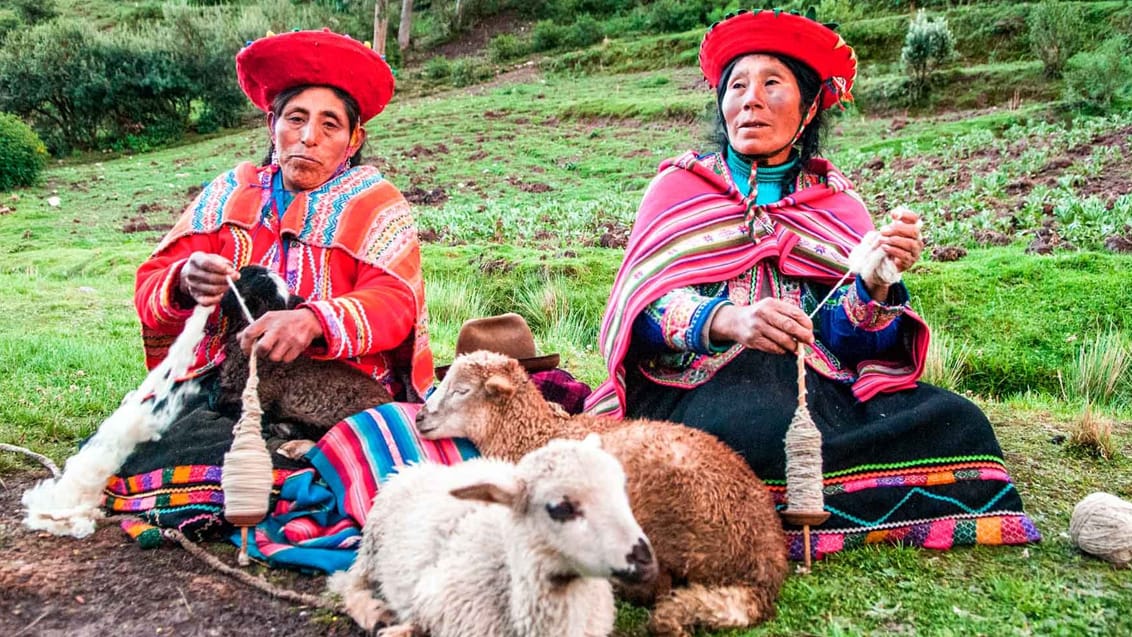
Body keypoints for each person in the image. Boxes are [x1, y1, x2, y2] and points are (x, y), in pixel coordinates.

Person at [585, 9, 1039, 561]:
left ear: (807, 108)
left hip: (818, 388)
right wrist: (729, 320)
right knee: (744, 433)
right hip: (697, 387)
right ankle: (734, 521)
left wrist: (873, 285)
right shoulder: (678, 188)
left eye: (771, 84)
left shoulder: (838, 202)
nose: (750, 99)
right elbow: (643, 307)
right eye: (737, 86)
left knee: (959, 423)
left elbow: (848, 340)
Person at [107, 29, 446, 541]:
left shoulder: (375, 204)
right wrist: (184, 281)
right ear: (273, 126)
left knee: (376, 449)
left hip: (343, 391)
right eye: (295, 119)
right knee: (126, 447)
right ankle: (282, 470)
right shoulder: (229, 195)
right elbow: (151, 283)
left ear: (353, 139)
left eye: (329, 124)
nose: (309, 136)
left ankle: (287, 466)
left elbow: (395, 303)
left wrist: (314, 320)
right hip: (231, 389)